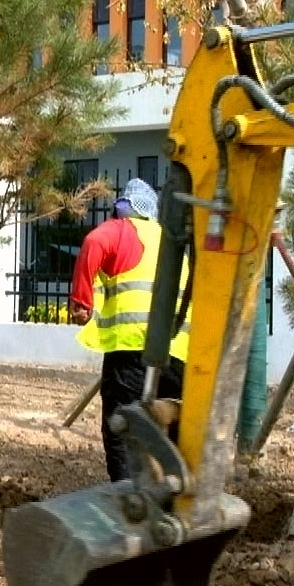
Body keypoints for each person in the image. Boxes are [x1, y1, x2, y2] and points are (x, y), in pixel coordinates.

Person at [69, 178, 188, 482]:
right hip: (178, 355)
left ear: (124, 207)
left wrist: (81, 301)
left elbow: (93, 242)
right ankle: (170, 498)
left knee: (122, 427)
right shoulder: (169, 240)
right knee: (171, 432)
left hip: (133, 350)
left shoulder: (123, 229)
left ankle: (127, 500)